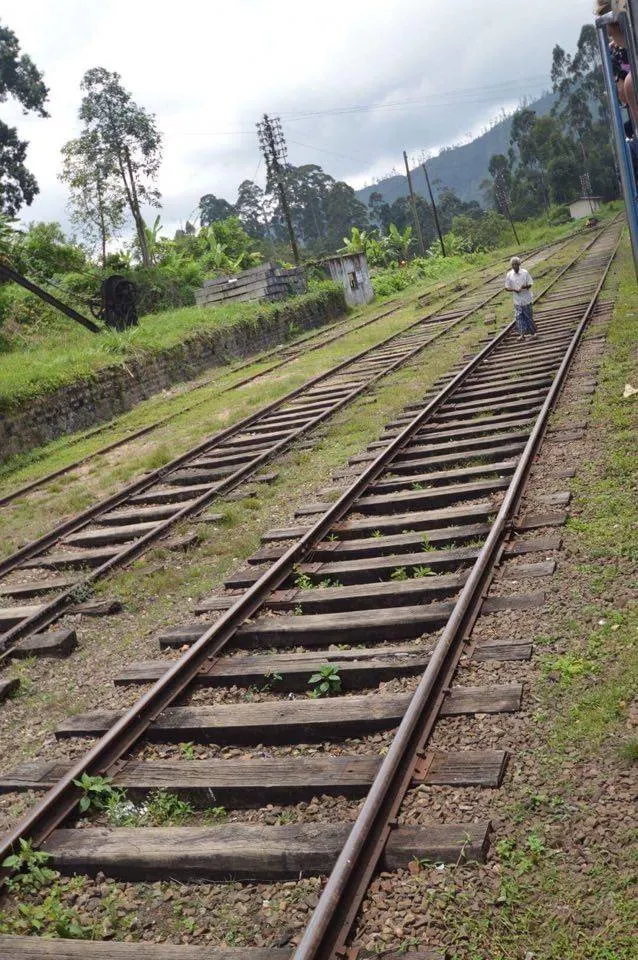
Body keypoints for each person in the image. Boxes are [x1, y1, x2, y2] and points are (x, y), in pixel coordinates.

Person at [505, 257, 537, 339]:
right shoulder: (509, 275)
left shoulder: (525, 273)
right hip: (517, 301)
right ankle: (522, 335)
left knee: (528, 317)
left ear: (519, 264)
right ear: (511, 265)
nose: (514, 266)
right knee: (519, 318)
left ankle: (533, 334)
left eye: (516, 264)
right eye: (513, 264)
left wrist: (524, 287)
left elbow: (530, 284)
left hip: (526, 299)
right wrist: (514, 290)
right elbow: (507, 287)